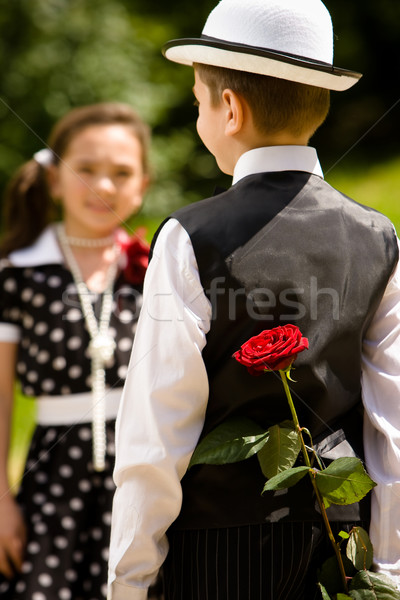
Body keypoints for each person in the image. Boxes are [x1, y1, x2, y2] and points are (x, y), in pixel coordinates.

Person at [107, 1, 400, 599]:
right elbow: (391, 427)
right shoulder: (380, 237)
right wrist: (388, 573)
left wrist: (128, 584)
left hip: (216, 559)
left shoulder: (189, 237)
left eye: (196, 104)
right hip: (343, 555)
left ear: (230, 109)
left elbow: (156, 435)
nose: (197, 118)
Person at [0, 102, 153, 599]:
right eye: (85, 169)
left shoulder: (156, 271)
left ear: (143, 185)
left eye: (121, 173)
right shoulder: (18, 273)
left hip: (141, 484)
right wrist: (0, 500)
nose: (103, 186)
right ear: (53, 179)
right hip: (52, 485)